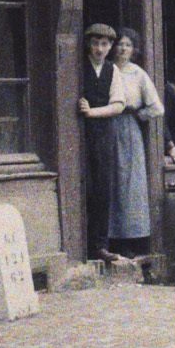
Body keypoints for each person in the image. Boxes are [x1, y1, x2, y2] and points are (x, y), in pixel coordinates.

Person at [107, 29, 163, 258]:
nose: (123, 49)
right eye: (120, 44)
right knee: (110, 180)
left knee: (129, 184)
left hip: (128, 129)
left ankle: (130, 239)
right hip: (107, 125)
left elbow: (157, 107)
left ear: (134, 50)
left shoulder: (138, 74)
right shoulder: (106, 69)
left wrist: (139, 115)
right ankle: (108, 238)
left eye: (128, 45)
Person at [79, 23, 126, 262]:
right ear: (89, 44)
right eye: (95, 43)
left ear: (110, 47)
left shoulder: (112, 70)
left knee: (102, 189)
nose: (99, 48)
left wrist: (93, 112)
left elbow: (118, 104)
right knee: (84, 186)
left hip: (104, 134)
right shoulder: (78, 67)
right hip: (80, 133)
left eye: (104, 44)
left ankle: (99, 245)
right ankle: (81, 245)